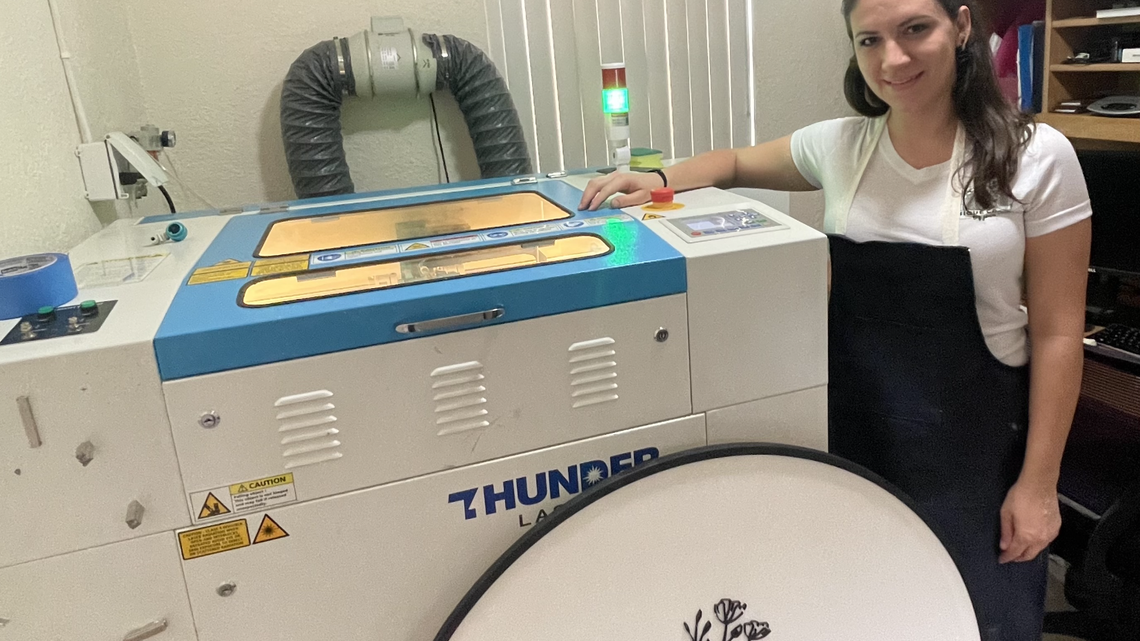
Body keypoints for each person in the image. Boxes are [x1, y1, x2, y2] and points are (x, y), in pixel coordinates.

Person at [578, 1, 1092, 639]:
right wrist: (655, 177)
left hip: (975, 457)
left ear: (961, 27)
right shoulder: (840, 146)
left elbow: (1059, 334)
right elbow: (734, 162)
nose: (892, 59)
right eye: (869, 40)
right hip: (854, 441)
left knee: (975, 618)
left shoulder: (1037, 156)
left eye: (915, 30)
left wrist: (1040, 486)